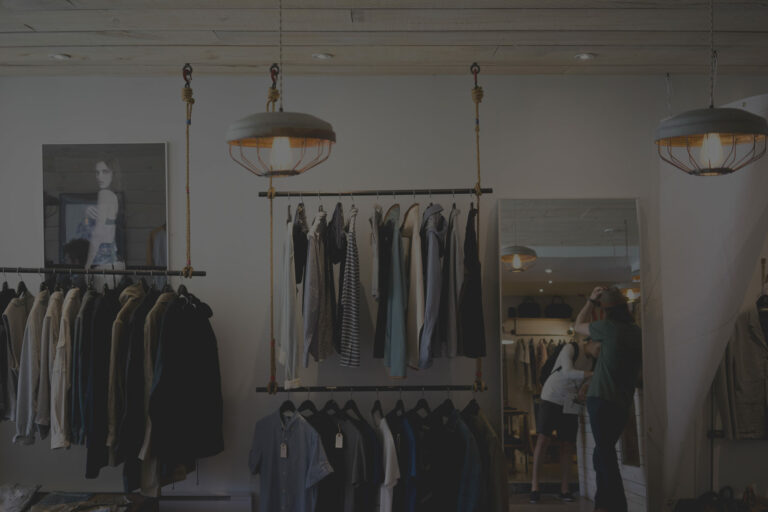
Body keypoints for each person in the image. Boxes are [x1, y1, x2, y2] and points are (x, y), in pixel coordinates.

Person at [574, 286, 642, 512]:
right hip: (622, 402)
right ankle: (602, 504)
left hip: (601, 399)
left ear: (605, 310)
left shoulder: (607, 327)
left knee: (605, 455)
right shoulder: (637, 332)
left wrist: (590, 301)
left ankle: (618, 506)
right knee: (601, 453)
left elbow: (578, 325)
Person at [529, 338, 600, 504]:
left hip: (571, 399)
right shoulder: (571, 348)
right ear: (591, 341)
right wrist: (593, 374)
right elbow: (567, 372)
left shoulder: (594, 361)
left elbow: (587, 382)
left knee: (567, 444)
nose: (600, 351)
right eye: (599, 346)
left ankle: (565, 489)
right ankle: (534, 487)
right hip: (552, 396)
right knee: (543, 439)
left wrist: (585, 387)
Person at [84, 158, 125, 270]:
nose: (99, 177)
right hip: (111, 256)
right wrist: (87, 217)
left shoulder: (104, 194)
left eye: (105, 172)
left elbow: (98, 233)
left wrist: (88, 264)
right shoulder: (113, 195)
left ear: (113, 174)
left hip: (102, 258)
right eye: (97, 172)